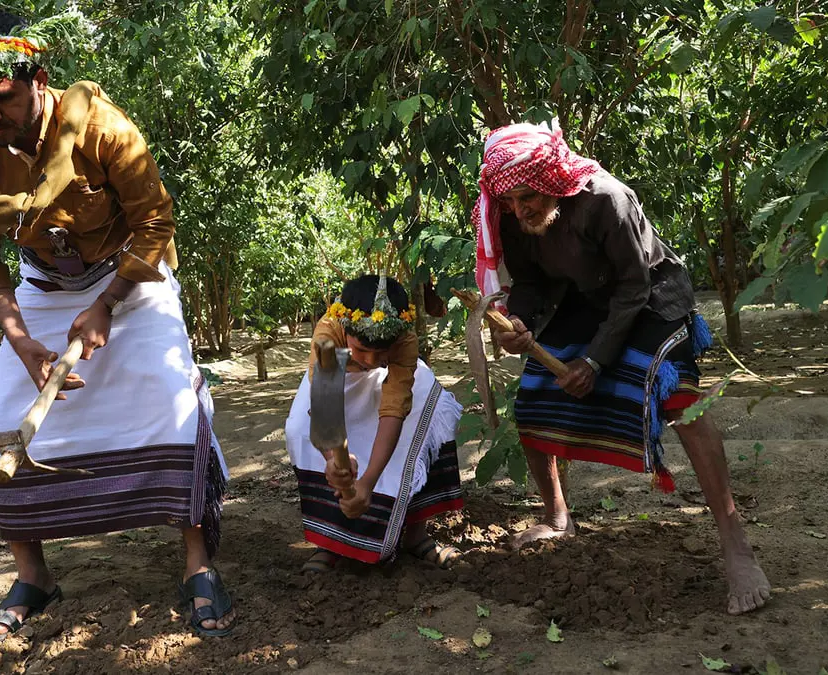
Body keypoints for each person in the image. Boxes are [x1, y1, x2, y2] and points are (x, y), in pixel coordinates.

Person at [0, 5, 234, 641]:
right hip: (42, 288)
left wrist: (107, 304)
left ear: (37, 80)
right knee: (2, 427)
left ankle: (197, 562)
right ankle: (34, 578)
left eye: (2, 99)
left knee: (170, 404)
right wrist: (23, 344)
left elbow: (156, 222)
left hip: (130, 273)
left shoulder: (105, 128)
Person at [471, 121, 771, 615]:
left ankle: (734, 540)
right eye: (508, 201)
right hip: (583, 301)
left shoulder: (608, 200)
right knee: (534, 398)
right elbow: (528, 283)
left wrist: (592, 361)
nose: (519, 209)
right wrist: (518, 320)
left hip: (650, 295)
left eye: (528, 197)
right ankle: (557, 515)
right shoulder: (513, 215)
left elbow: (633, 287)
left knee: (680, 402)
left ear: (552, 182)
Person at [285, 275, 464, 571]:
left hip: (389, 387)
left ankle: (417, 535)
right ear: (345, 329)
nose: (369, 360)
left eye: (381, 353)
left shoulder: (405, 339)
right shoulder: (329, 332)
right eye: (361, 350)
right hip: (332, 386)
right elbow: (326, 408)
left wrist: (367, 483)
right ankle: (330, 542)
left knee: (431, 408)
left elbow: (394, 410)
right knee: (298, 429)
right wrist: (333, 459)